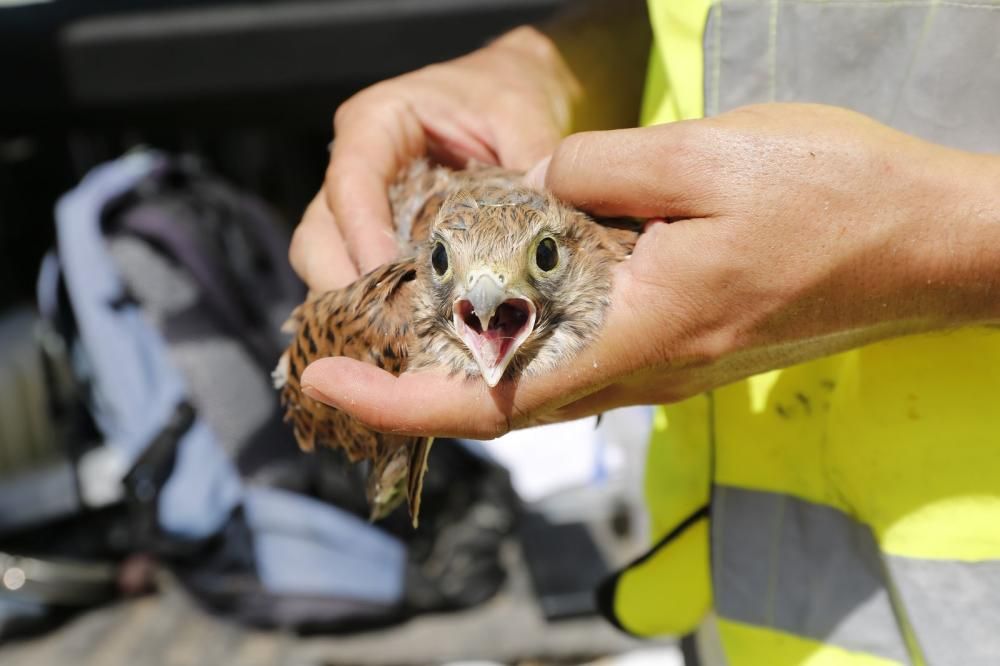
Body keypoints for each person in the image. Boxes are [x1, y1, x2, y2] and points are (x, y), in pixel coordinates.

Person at [290, 1, 1000, 663]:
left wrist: (936, 242)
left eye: (539, 262)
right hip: (735, 591)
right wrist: (553, 69)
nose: (483, 291)